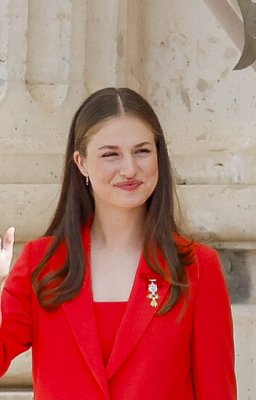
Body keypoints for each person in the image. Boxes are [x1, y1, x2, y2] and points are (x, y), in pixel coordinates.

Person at [0, 88, 236, 399]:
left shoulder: (197, 266)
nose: (129, 169)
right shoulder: (42, 262)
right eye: (111, 154)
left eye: (142, 151)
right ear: (81, 163)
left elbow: (217, 390)